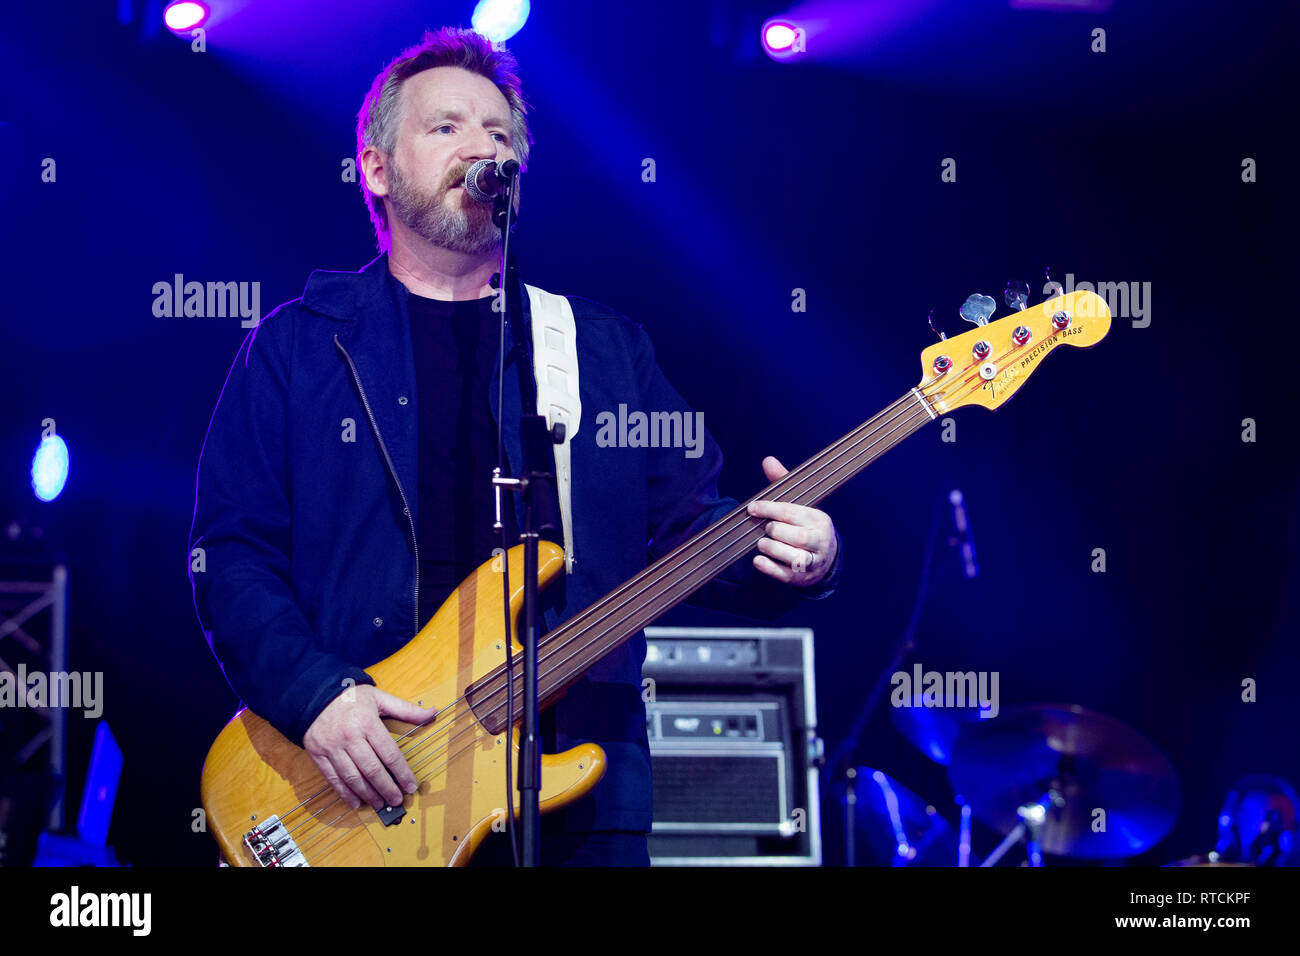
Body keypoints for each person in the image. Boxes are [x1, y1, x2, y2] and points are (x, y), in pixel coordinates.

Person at [188, 26, 842, 867]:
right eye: (447, 127)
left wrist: (795, 556)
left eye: (499, 135)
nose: (481, 147)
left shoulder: (602, 351)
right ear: (378, 169)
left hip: (581, 810)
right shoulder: (298, 349)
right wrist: (316, 696)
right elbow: (229, 554)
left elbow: (690, 529)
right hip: (365, 784)